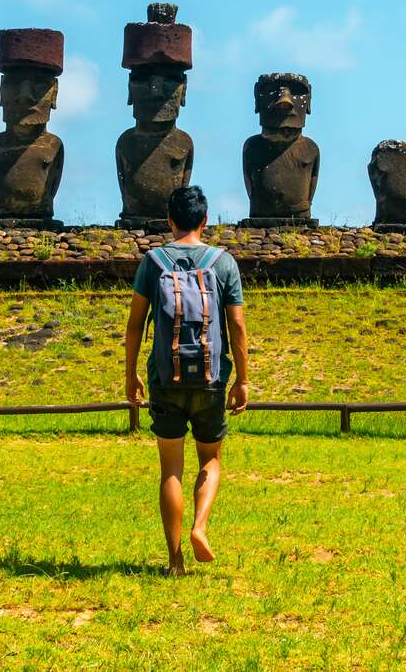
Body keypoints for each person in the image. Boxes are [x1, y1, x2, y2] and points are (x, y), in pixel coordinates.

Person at [124, 185, 249, 576]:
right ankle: (200, 526)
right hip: (211, 379)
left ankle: (175, 561)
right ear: (205, 220)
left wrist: (130, 375)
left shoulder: (152, 262)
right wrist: (242, 379)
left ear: (169, 221)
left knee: (171, 470)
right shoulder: (223, 263)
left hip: (165, 377)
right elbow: (238, 326)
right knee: (210, 458)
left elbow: (133, 327)